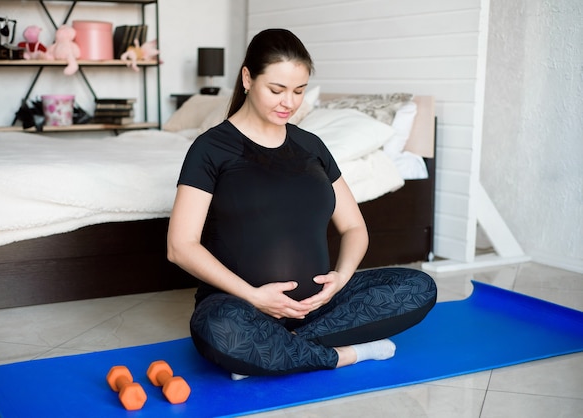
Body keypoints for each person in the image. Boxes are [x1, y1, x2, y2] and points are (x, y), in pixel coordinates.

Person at [167, 28, 437, 379]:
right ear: (247, 78)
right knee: (222, 329)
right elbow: (180, 246)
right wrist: (255, 296)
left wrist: (340, 279)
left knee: (419, 287)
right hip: (241, 306)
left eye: (299, 91)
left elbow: (354, 227)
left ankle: (272, 351)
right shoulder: (211, 148)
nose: (288, 103)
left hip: (322, 306)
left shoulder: (312, 146)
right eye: (276, 90)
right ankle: (348, 354)